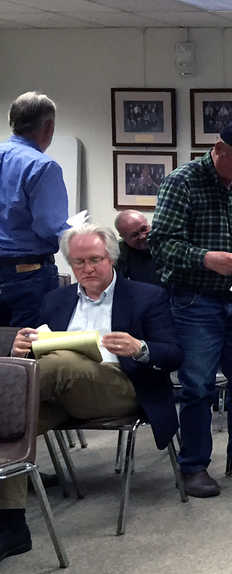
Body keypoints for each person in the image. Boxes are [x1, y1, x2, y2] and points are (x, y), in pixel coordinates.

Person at [0, 224, 181, 563]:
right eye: (79, 262)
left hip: (121, 387)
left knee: (57, 365)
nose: (87, 269)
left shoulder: (147, 295)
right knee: (10, 426)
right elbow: (39, 345)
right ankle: (12, 527)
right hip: (57, 390)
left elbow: (173, 353)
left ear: (111, 257)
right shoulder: (56, 299)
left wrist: (139, 347)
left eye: (95, 259)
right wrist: (22, 347)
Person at [149, 120, 232, 498]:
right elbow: (161, 244)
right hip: (196, 301)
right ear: (219, 149)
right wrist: (206, 258)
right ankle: (194, 466)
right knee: (197, 385)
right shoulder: (183, 181)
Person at [0, 91, 69, 329]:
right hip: (27, 275)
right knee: (29, 351)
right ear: (48, 127)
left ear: (12, 121)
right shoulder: (42, 166)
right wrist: (71, 232)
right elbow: (49, 226)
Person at [114, 209, 161, 286]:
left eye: (144, 229)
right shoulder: (117, 254)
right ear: (123, 237)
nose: (142, 236)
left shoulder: (164, 241)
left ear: (149, 224)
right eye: (134, 235)